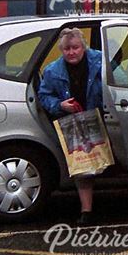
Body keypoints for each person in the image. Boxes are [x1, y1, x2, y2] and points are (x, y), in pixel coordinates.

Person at [38, 28, 103, 226]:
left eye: (75, 48)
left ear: (83, 47)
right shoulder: (52, 70)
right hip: (73, 122)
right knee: (82, 168)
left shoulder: (100, 61)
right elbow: (44, 96)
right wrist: (60, 106)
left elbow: (120, 81)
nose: (71, 52)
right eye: (66, 49)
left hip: (101, 118)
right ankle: (87, 211)